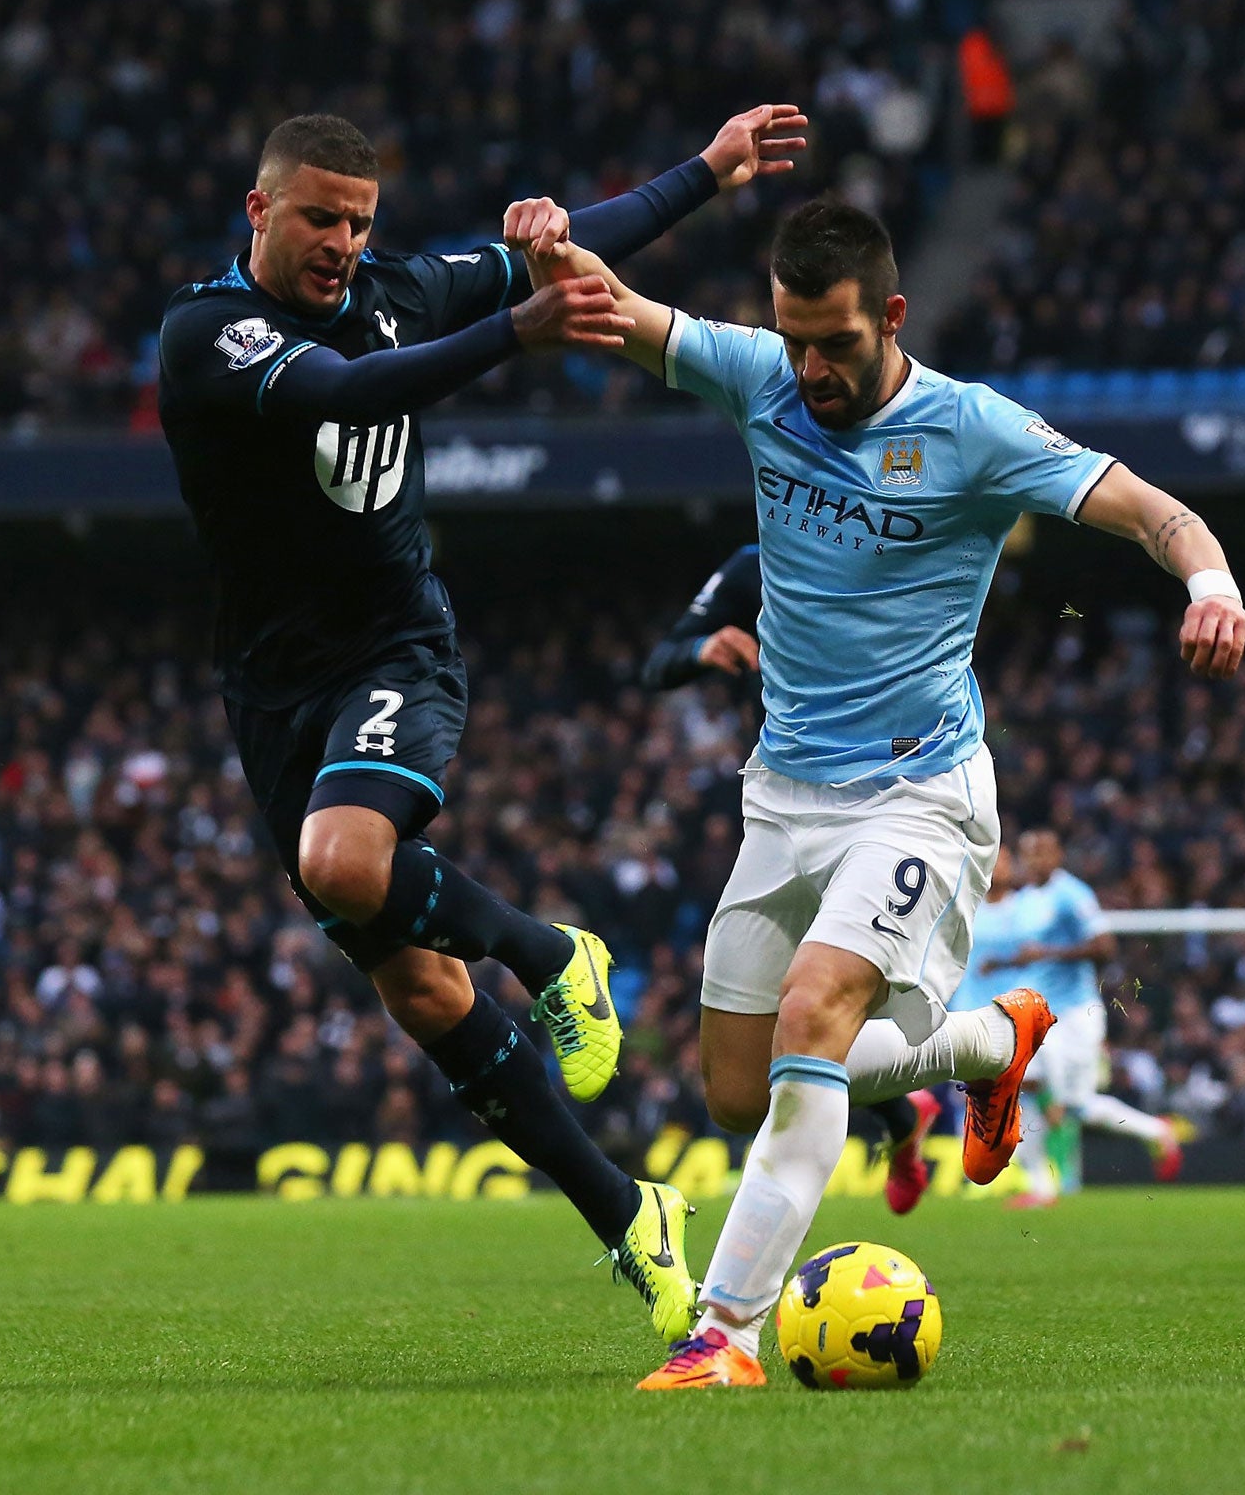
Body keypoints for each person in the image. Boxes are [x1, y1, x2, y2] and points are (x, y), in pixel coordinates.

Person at [518, 200, 1245, 1388]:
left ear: (891, 318)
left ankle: (725, 1336)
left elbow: (1156, 512)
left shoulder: (971, 431)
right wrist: (556, 254)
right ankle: (981, 1046)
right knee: (733, 1092)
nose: (810, 370)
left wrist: (1209, 582)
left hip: (920, 794)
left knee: (814, 1018)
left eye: (836, 346)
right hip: (783, 794)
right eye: (793, 340)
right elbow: (616, 311)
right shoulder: (759, 377)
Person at [157, 105, 806, 1346]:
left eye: (359, 221)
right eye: (319, 218)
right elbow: (344, 391)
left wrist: (707, 170)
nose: (342, 242)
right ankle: (632, 1217)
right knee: (419, 989)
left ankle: (555, 955)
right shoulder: (210, 331)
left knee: (343, 863)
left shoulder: (397, 286)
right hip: (271, 695)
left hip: (393, 649)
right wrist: (517, 330)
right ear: (259, 210)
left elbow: (564, 245)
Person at [642, 544, 941, 1214]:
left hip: (888, 810)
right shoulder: (755, 566)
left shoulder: (899, 541)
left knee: (814, 1006)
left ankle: (973, 1052)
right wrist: (702, 649)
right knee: (744, 1084)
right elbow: (658, 663)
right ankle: (902, 1116)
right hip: (782, 813)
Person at [961, 828, 1181, 1208]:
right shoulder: (1026, 899)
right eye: (1028, 853)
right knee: (1024, 1088)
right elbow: (1032, 953)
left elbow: (1104, 948)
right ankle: (1042, 1187)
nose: (1034, 860)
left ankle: (1153, 1131)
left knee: (1074, 1106)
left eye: (1042, 852)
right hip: (1043, 1017)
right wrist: (1004, 963)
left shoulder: (1072, 894)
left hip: (1076, 1015)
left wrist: (1045, 953)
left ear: (1057, 855)